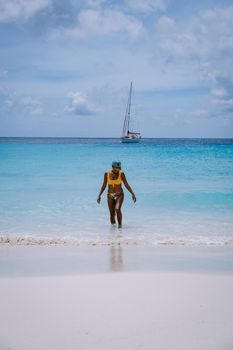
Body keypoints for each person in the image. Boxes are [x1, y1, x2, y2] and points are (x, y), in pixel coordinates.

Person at [97, 161, 136, 228]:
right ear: (112, 167)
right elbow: (104, 185)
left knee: (117, 209)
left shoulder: (121, 174)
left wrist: (132, 194)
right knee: (112, 214)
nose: (117, 169)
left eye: (119, 168)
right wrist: (99, 195)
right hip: (110, 195)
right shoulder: (107, 174)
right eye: (116, 168)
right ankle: (113, 232)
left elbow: (126, 184)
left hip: (119, 194)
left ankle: (120, 227)